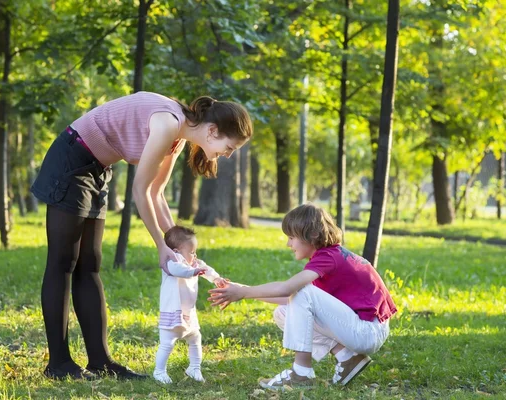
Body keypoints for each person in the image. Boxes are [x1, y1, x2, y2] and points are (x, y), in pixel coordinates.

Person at [30, 91, 253, 380]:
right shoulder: (167, 124)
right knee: (63, 263)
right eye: (230, 146)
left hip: (96, 169)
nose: (228, 154)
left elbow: (157, 194)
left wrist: (179, 248)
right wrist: (160, 246)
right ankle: (59, 364)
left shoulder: (178, 135)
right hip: (71, 160)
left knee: (90, 265)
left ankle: (101, 361)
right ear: (212, 130)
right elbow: (140, 191)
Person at [208, 203, 397, 391]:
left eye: (291, 237)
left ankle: (301, 373)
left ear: (312, 235)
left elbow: (290, 290)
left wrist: (243, 292)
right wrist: (244, 291)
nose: (288, 244)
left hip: (368, 331)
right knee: (283, 313)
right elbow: (293, 300)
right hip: (363, 328)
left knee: (302, 291)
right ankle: (347, 358)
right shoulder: (328, 257)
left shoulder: (328, 257)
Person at [153, 226, 227, 384]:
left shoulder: (194, 263)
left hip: (188, 312)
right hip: (172, 310)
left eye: (195, 252)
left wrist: (216, 278)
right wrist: (193, 271)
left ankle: (194, 367)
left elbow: (205, 268)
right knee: (167, 343)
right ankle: (159, 371)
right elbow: (178, 270)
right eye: (192, 252)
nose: (195, 256)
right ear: (177, 251)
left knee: (195, 337)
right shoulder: (171, 261)